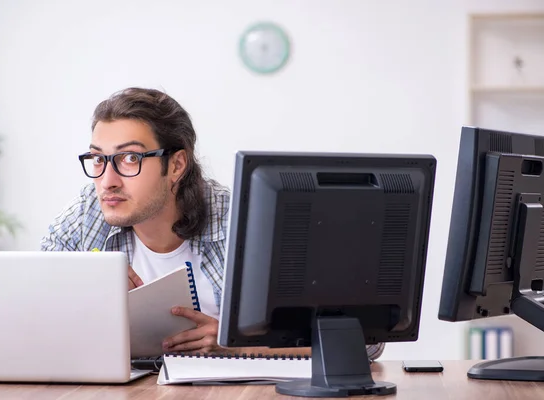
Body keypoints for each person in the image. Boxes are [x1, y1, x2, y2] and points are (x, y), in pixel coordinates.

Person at [40, 87, 384, 360]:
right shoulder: (86, 216)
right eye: (99, 159)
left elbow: (364, 342)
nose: (107, 180)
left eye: (130, 158)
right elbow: (35, 322)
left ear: (176, 166)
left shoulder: (242, 221)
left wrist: (236, 344)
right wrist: (86, 299)